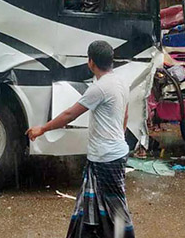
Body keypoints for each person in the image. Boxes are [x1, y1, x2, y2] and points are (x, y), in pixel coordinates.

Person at [27, 41, 134, 238]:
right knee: (90, 204)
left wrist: (42, 128)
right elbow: (125, 116)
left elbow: (69, 115)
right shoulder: (121, 82)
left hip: (106, 158)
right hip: (109, 154)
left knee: (116, 208)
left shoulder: (100, 88)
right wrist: (118, 138)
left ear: (91, 62)